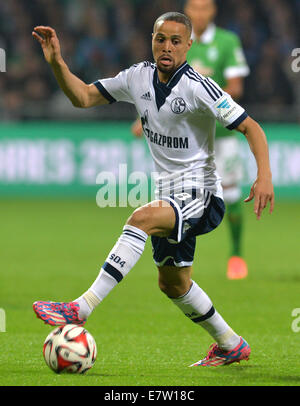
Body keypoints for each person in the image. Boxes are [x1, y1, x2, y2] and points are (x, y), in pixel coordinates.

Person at [32, 12, 274, 367]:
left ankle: (80, 308)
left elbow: (251, 127)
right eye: (161, 39)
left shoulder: (199, 87)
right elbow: (83, 97)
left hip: (202, 196)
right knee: (173, 284)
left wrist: (263, 175)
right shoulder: (137, 77)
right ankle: (230, 343)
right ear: (152, 39)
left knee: (140, 219)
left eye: (176, 41)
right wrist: (57, 63)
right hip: (170, 195)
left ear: (188, 45)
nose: (167, 47)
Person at [132, 0, 250, 280]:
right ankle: (182, 264)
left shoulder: (226, 41)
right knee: (179, 200)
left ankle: (236, 254)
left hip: (221, 137)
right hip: (185, 142)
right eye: (194, 8)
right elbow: (160, 88)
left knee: (232, 195)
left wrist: (200, 98)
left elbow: (235, 87)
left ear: (213, 11)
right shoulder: (176, 41)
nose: (199, 13)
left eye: (204, 8)